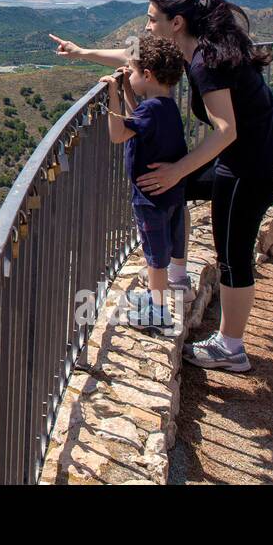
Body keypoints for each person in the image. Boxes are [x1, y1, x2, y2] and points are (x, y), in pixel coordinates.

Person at [50, 0, 273, 372]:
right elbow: (134, 57)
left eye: (152, 19)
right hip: (247, 160)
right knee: (175, 191)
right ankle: (175, 278)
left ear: (176, 22)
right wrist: (82, 53)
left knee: (232, 254)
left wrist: (178, 170)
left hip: (255, 169)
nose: (147, 28)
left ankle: (231, 347)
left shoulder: (205, 63)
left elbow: (225, 129)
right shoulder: (191, 50)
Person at [99, 35, 188, 332]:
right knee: (159, 251)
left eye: (133, 71)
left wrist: (112, 93)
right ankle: (156, 302)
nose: (130, 74)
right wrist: (126, 86)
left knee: (155, 256)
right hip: (170, 194)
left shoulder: (151, 110)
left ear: (147, 75)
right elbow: (138, 117)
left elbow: (118, 134)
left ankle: (158, 311)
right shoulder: (166, 105)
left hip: (149, 198)